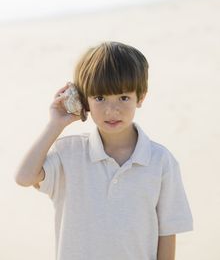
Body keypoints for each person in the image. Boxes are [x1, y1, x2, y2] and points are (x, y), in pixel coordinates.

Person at [15, 41, 193, 260]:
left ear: (141, 97)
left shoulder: (160, 161)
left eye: (123, 97)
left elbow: (167, 232)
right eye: (100, 98)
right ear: (84, 100)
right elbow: (24, 177)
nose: (112, 110)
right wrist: (56, 124)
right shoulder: (68, 153)